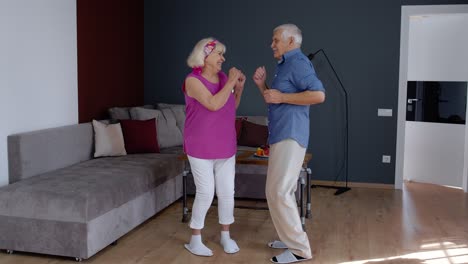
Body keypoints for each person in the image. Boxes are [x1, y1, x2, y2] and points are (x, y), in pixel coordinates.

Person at [252, 24, 325, 263]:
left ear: (291, 41)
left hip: (290, 136)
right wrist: (263, 86)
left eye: (276, 40)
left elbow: (319, 94)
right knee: (284, 191)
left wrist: (281, 96)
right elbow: (276, 101)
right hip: (281, 134)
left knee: (278, 191)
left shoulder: (298, 63)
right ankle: (289, 238)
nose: (271, 44)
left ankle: (300, 250)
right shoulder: (284, 65)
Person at [182, 37, 245, 257]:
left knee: (227, 192)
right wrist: (230, 82)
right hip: (200, 145)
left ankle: (226, 235)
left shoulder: (222, 77)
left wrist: (238, 88)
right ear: (205, 56)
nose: (223, 58)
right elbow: (212, 104)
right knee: (206, 192)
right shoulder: (192, 81)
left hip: (225, 144)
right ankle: (195, 239)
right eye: (219, 53)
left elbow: (229, 107)